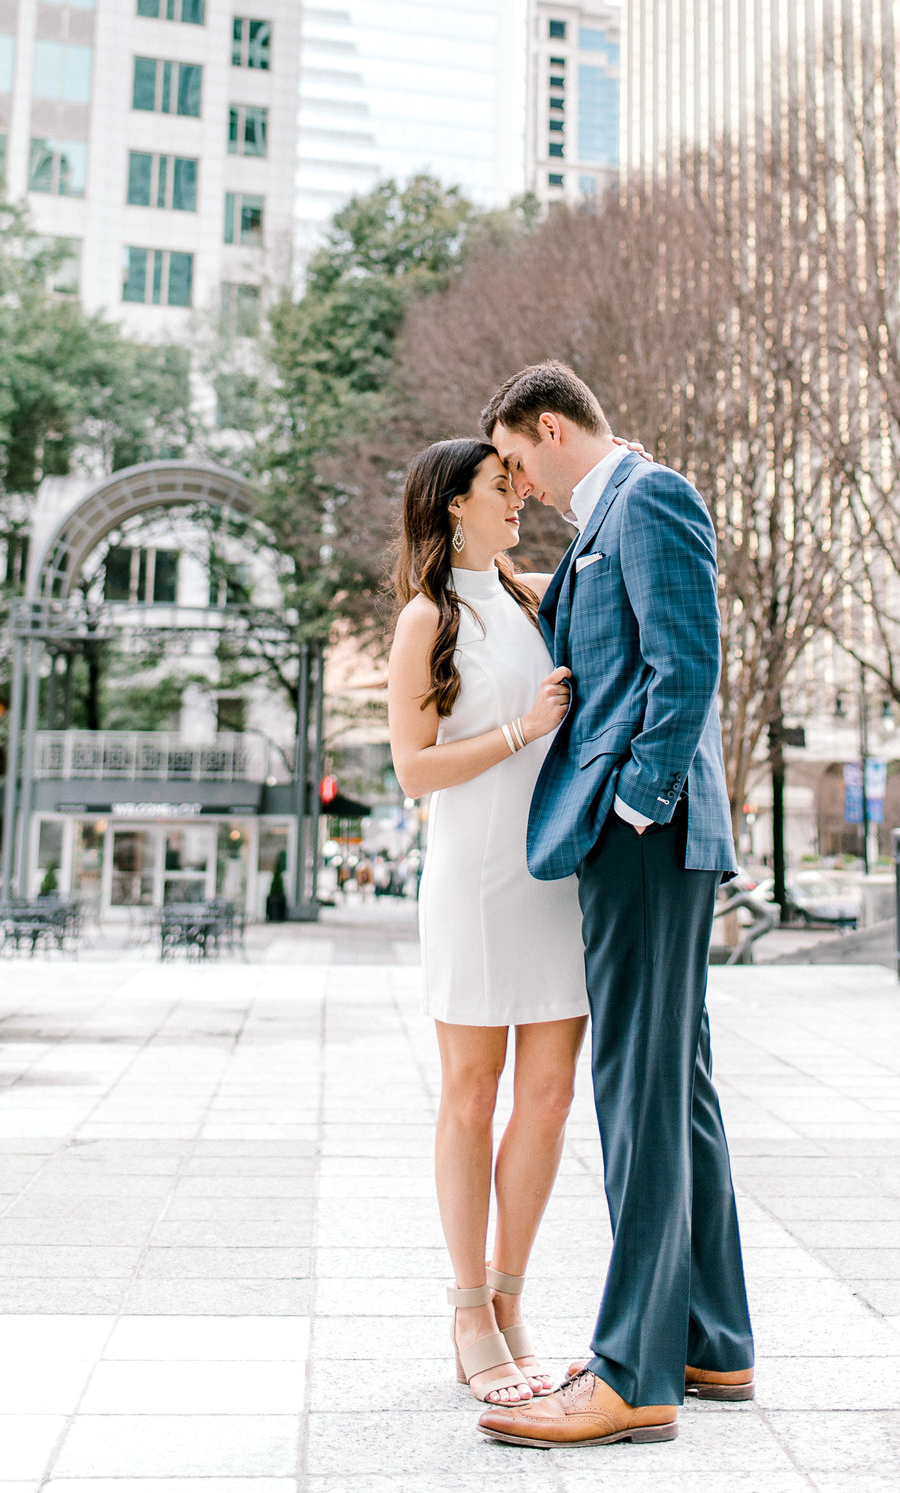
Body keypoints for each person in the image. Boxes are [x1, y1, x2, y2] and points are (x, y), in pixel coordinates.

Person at [474, 361, 754, 1453]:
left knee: (637, 1094)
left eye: (516, 460)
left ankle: (632, 1373)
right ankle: (710, 1340)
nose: (519, 482)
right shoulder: (605, 525)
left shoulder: (650, 499)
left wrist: (634, 808)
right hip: (649, 840)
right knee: (675, 1089)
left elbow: (687, 669)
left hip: (652, 840)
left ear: (552, 427)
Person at [387, 437, 590, 1409]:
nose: (518, 500)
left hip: (552, 876)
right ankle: (467, 1308)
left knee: (548, 1101)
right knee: (471, 1096)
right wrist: (518, 731)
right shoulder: (426, 619)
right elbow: (413, 769)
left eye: (517, 486)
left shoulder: (530, 599)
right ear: (453, 505)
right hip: (472, 879)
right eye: (499, 489)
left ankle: (511, 1298)